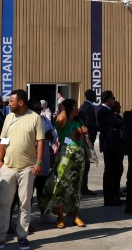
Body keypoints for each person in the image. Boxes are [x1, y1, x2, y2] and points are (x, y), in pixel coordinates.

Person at [0, 89, 45, 250]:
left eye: (11, 101)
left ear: (21, 102)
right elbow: (4, 139)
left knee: (25, 203)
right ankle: (0, 238)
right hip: (8, 168)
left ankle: (22, 237)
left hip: (27, 169)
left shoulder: (35, 118)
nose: (8, 104)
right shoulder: (9, 117)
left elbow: (40, 141)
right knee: (4, 203)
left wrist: (39, 162)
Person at [40, 98, 91, 227]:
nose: (77, 109)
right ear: (68, 109)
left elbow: (81, 139)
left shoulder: (78, 121)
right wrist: (63, 108)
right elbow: (60, 119)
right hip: (65, 156)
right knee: (61, 186)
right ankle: (60, 217)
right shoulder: (62, 122)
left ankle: (76, 215)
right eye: (75, 107)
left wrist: (85, 132)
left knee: (76, 187)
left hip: (78, 158)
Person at [97, 91, 125, 205]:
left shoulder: (110, 111)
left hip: (116, 144)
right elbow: (116, 123)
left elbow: (119, 122)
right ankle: (109, 198)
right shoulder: (104, 111)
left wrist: (119, 122)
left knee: (117, 170)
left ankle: (115, 195)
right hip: (110, 145)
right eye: (113, 98)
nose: (114, 100)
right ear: (109, 99)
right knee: (110, 172)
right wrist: (118, 123)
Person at [78, 89, 99, 196]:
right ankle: (83, 187)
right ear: (92, 96)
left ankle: (83, 186)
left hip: (84, 137)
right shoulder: (89, 107)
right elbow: (89, 123)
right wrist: (100, 127)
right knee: (86, 165)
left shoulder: (83, 106)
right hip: (87, 138)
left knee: (85, 164)